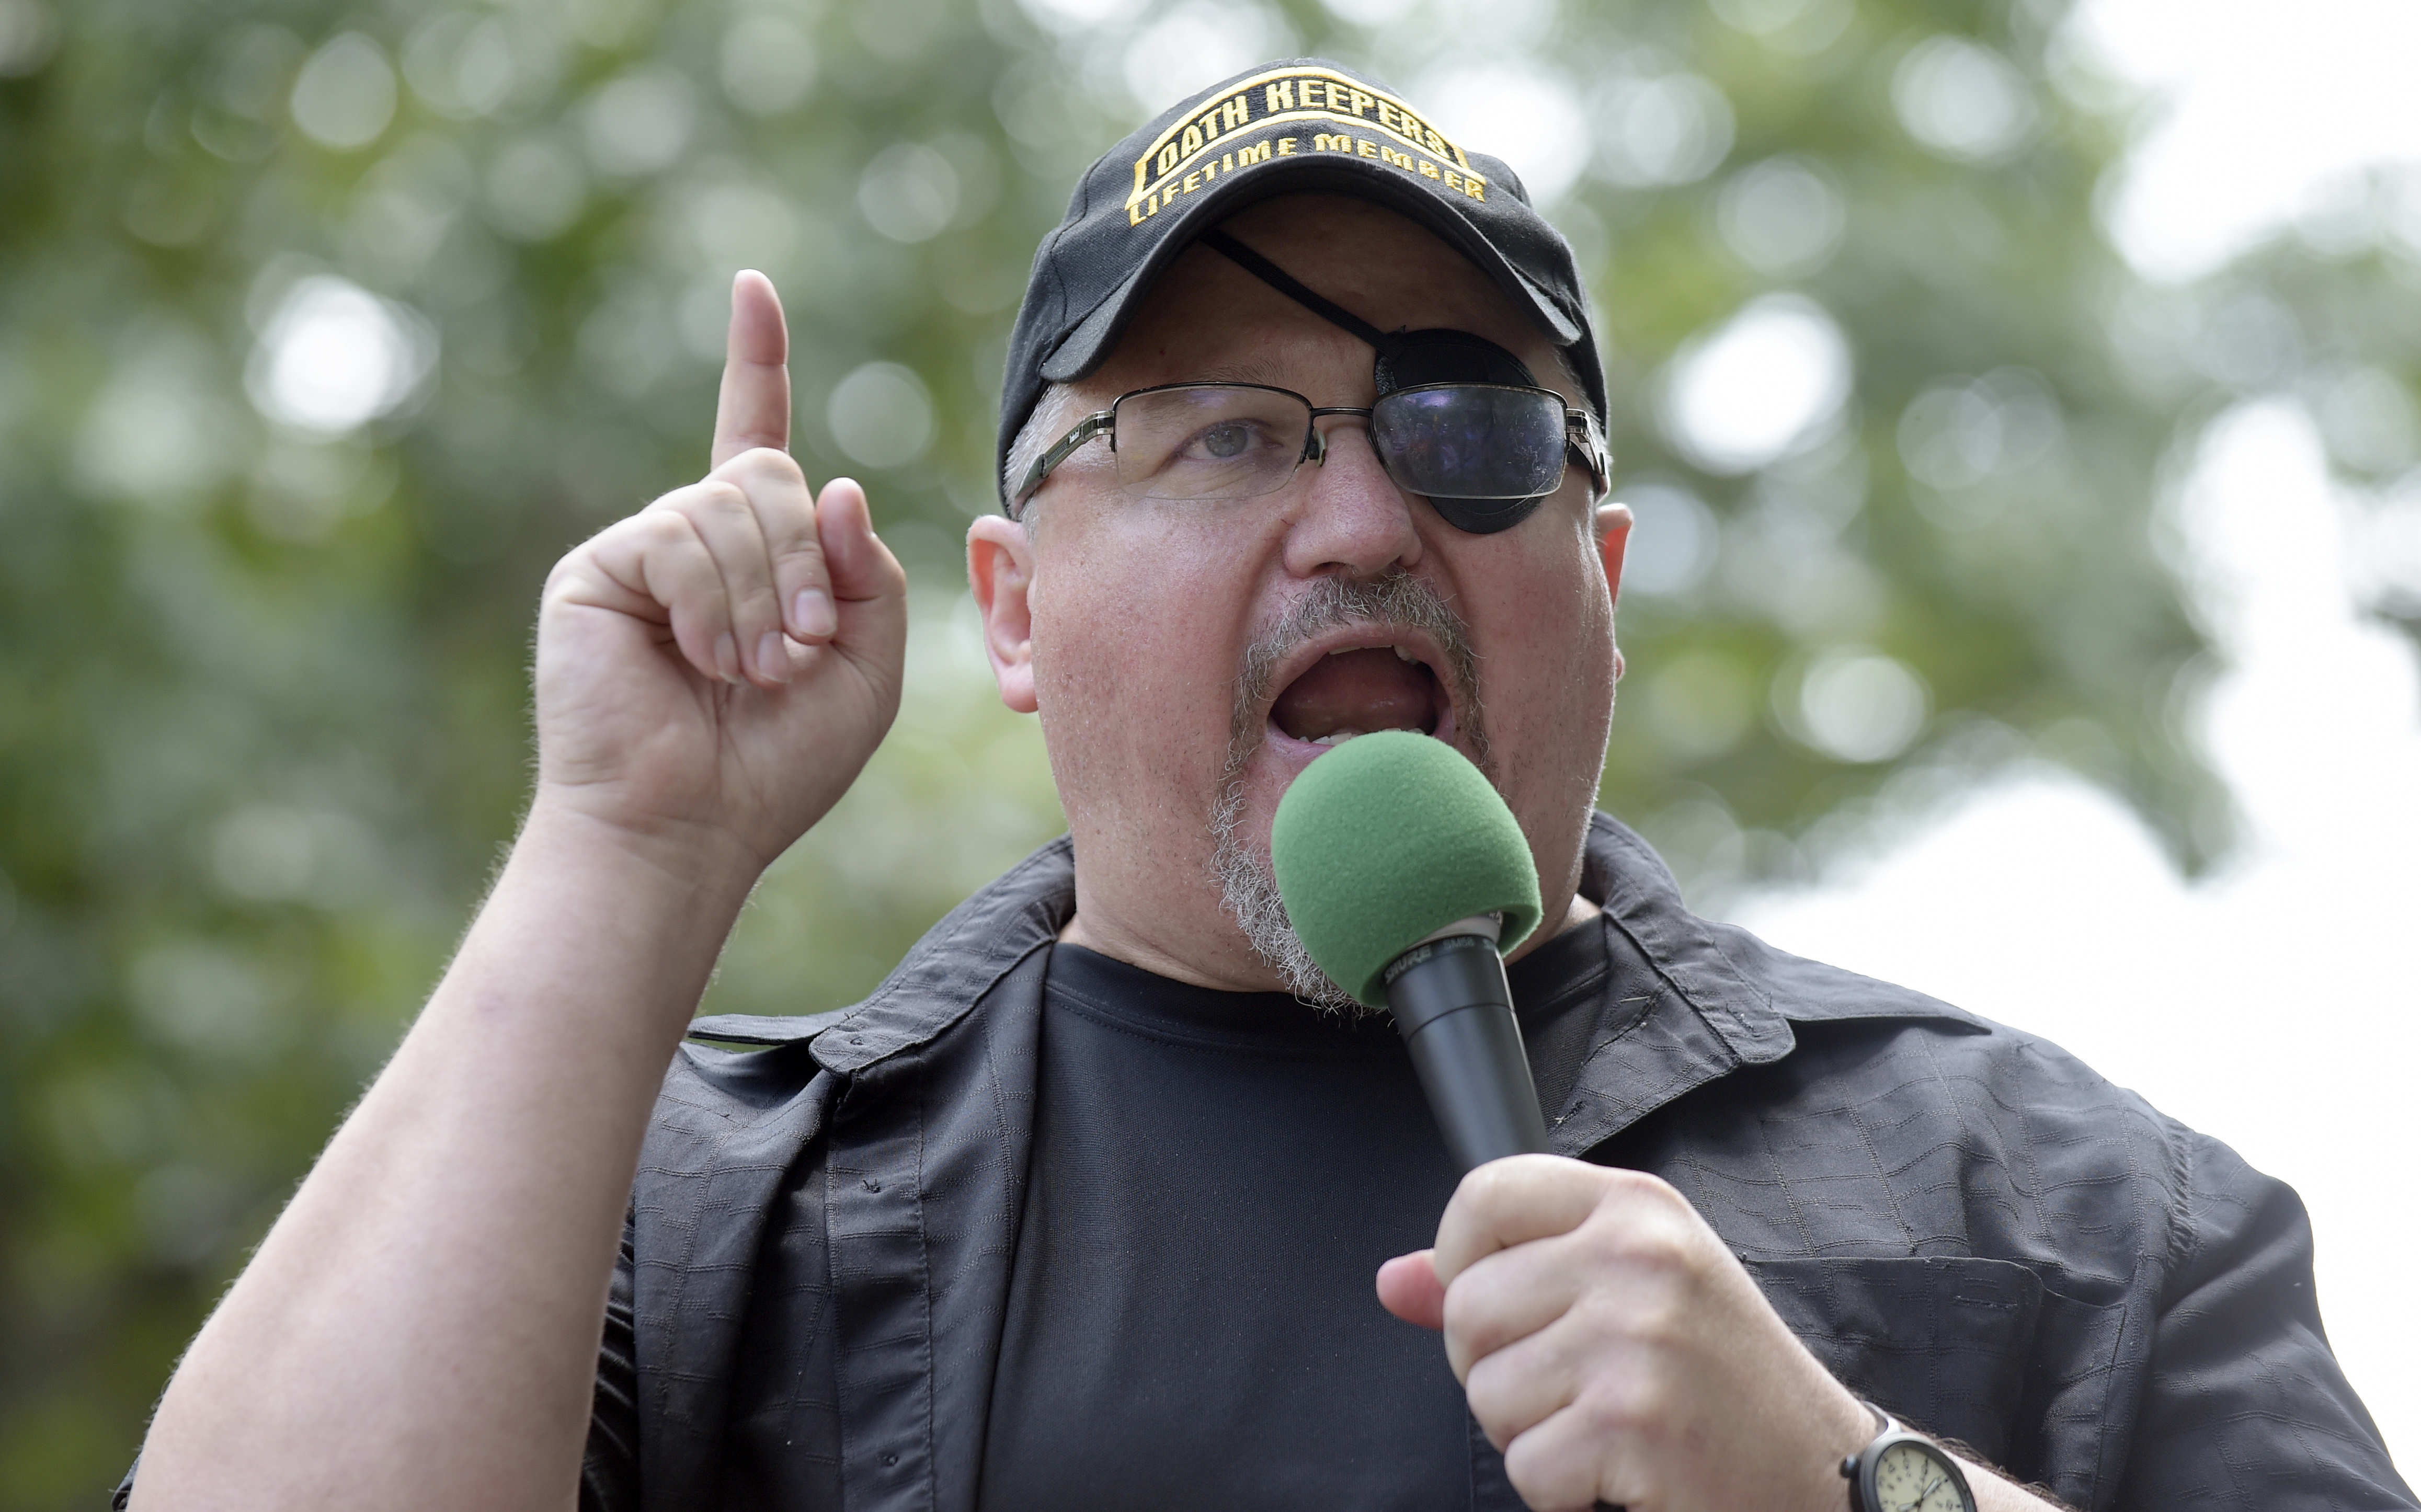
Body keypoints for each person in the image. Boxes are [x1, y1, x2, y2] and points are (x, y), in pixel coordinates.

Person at [123, 59, 2409, 1512]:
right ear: (1009, 610)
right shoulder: (697, 1226)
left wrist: (1854, 1486)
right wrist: (627, 846)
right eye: (1225, 430)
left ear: (1597, 581)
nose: (1361, 523)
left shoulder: (2086, 1217)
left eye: (1470, 431)